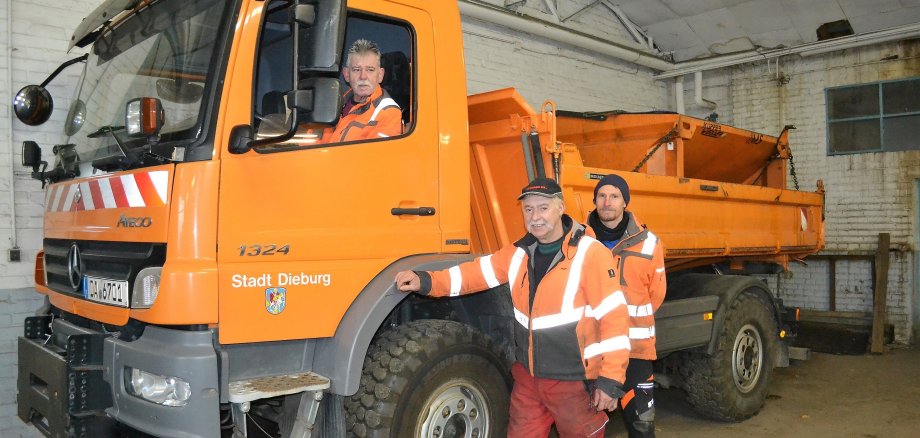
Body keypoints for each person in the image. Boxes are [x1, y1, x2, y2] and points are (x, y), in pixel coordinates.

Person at [395, 177, 631, 437]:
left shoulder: (590, 253)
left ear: (561, 207)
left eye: (543, 208)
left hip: (572, 381)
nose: (535, 217)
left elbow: (614, 319)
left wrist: (610, 381)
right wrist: (427, 281)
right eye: (528, 209)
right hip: (528, 379)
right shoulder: (519, 251)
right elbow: (475, 274)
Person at [586, 174, 666, 438]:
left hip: (636, 353)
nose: (607, 202)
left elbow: (656, 294)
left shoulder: (650, 243)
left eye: (615, 196)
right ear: (595, 200)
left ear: (625, 202)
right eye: (602, 195)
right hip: (590, 353)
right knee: (586, 429)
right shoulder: (578, 241)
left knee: (642, 427)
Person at [321, 38, 402, 143]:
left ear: (380, 75)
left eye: (370, 70)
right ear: (346, 74)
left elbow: (376, 157)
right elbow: (311, 143)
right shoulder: (332, 105)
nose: (363, 76)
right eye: (356, 69)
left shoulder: (388, 112)